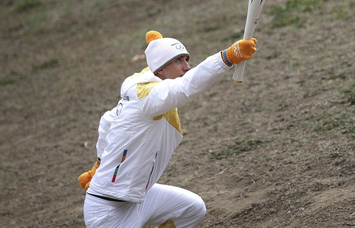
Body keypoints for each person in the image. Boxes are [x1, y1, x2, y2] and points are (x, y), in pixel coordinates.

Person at [78, 30, 258, 227]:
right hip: (107, 212)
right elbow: (185, 88)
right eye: (179, 61)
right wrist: (228, 57)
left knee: (192, 209)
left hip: (139, 198)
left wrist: (99, 164)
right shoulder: (148, 96)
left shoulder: (140, 95)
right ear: (161, 70)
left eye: (187, 60)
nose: (187, 67)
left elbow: (107, 121)